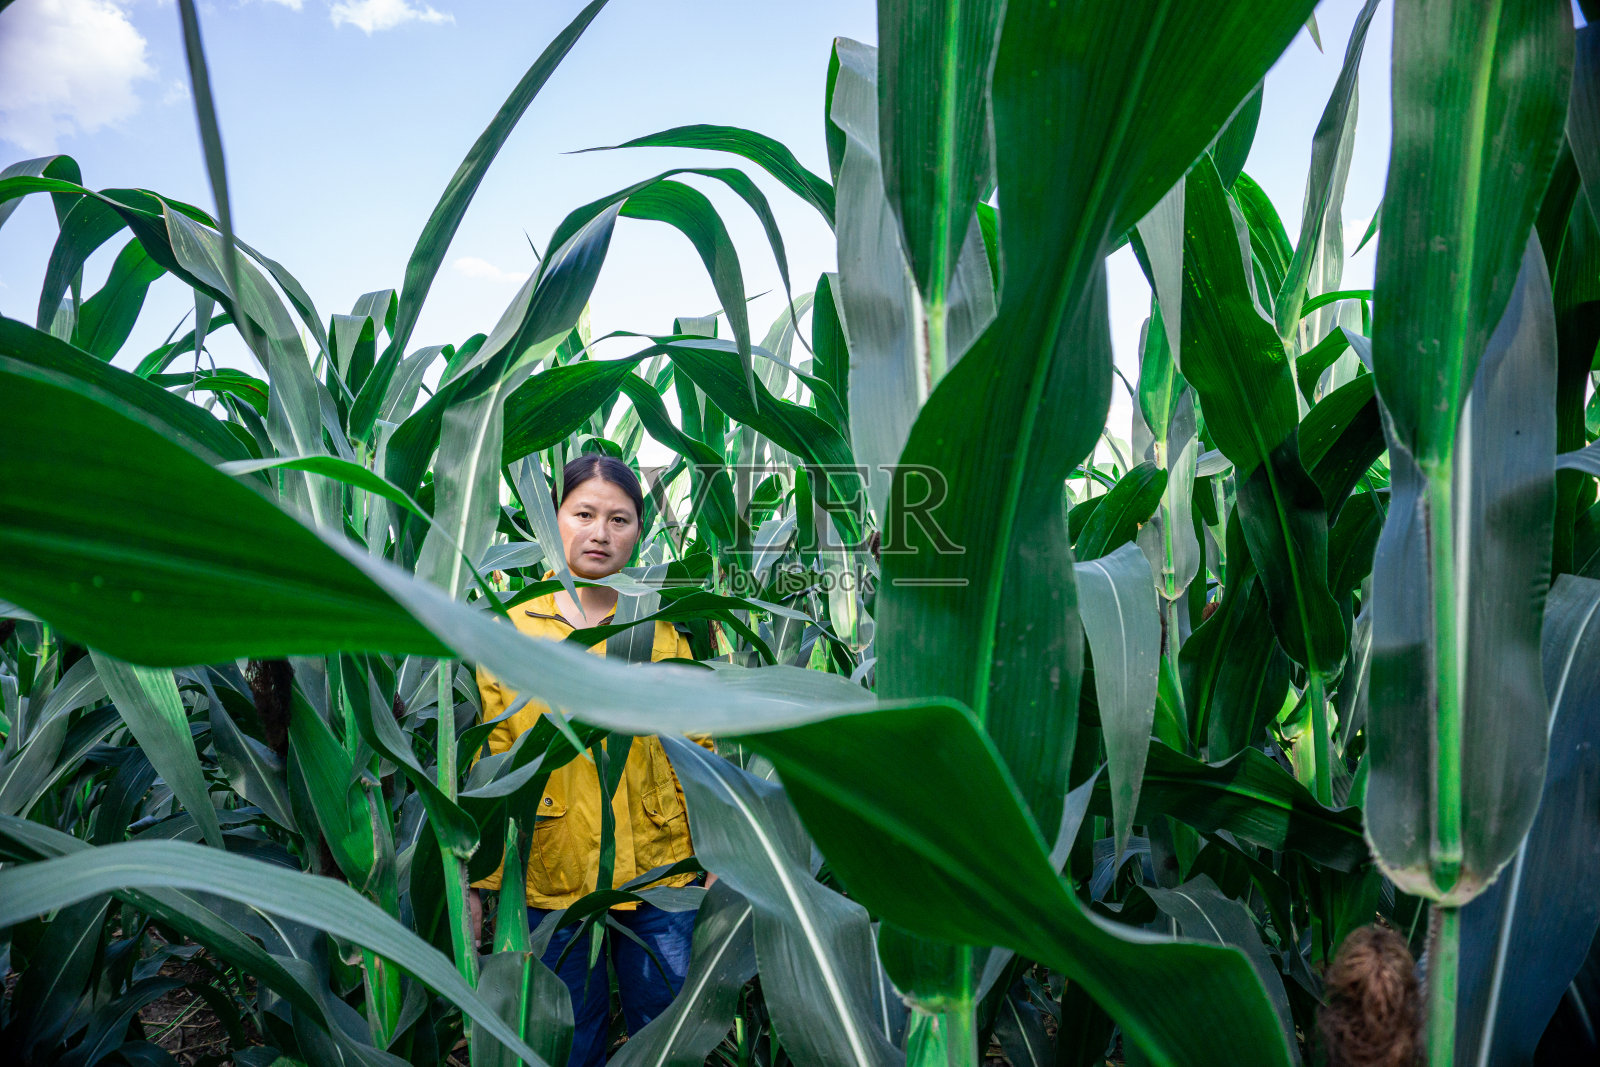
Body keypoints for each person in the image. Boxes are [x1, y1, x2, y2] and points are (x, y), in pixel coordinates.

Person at [469, 454, 709, 1067]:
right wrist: (478, 881)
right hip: (552, 874)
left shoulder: (659, 629)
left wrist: (720, 853)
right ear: (554, 521)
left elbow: (699, 748)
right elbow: (491, 761)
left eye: (620, 519)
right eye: (583, 514)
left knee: (668, 1031)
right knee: (564, 1039)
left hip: (661, 874)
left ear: (639, 532)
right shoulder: (510, 630)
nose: (600, 532)